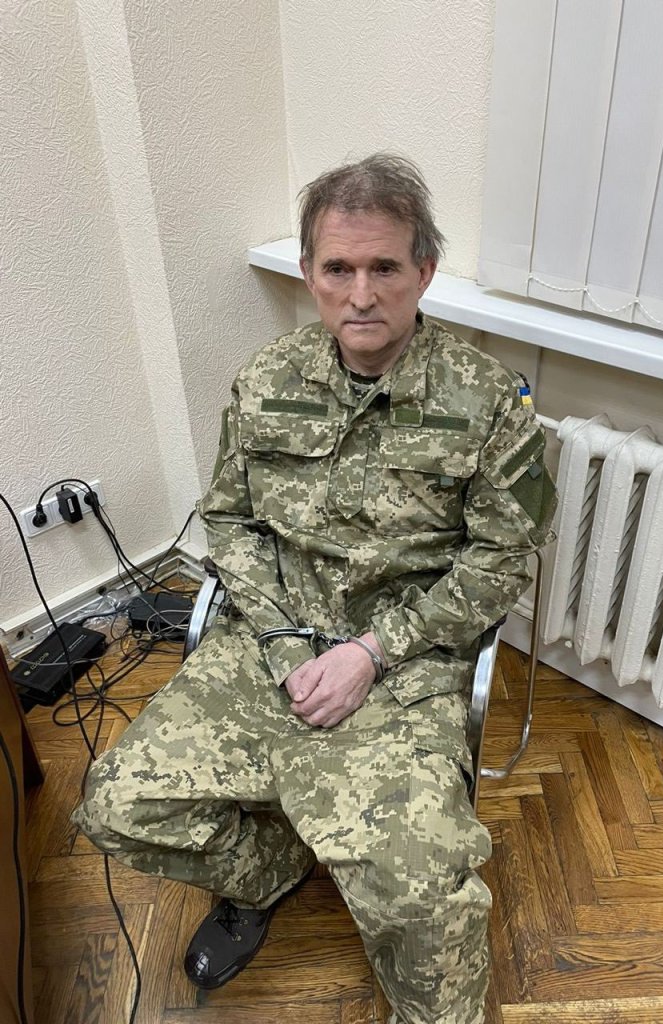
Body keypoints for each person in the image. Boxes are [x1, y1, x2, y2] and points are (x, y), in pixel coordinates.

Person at [73, 153, 556, 1024]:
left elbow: (501, 563)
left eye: (384, 267)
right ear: (309, 273)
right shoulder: (266, 380)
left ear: (424, 272)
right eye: (338, 268)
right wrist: (287, 643)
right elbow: (230, 521)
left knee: (424, 896)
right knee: (117, 805)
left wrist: (371, 653)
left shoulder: (488, 402)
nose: (361, 294)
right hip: (268, 645)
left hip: (406, 665)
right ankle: (268, 873)